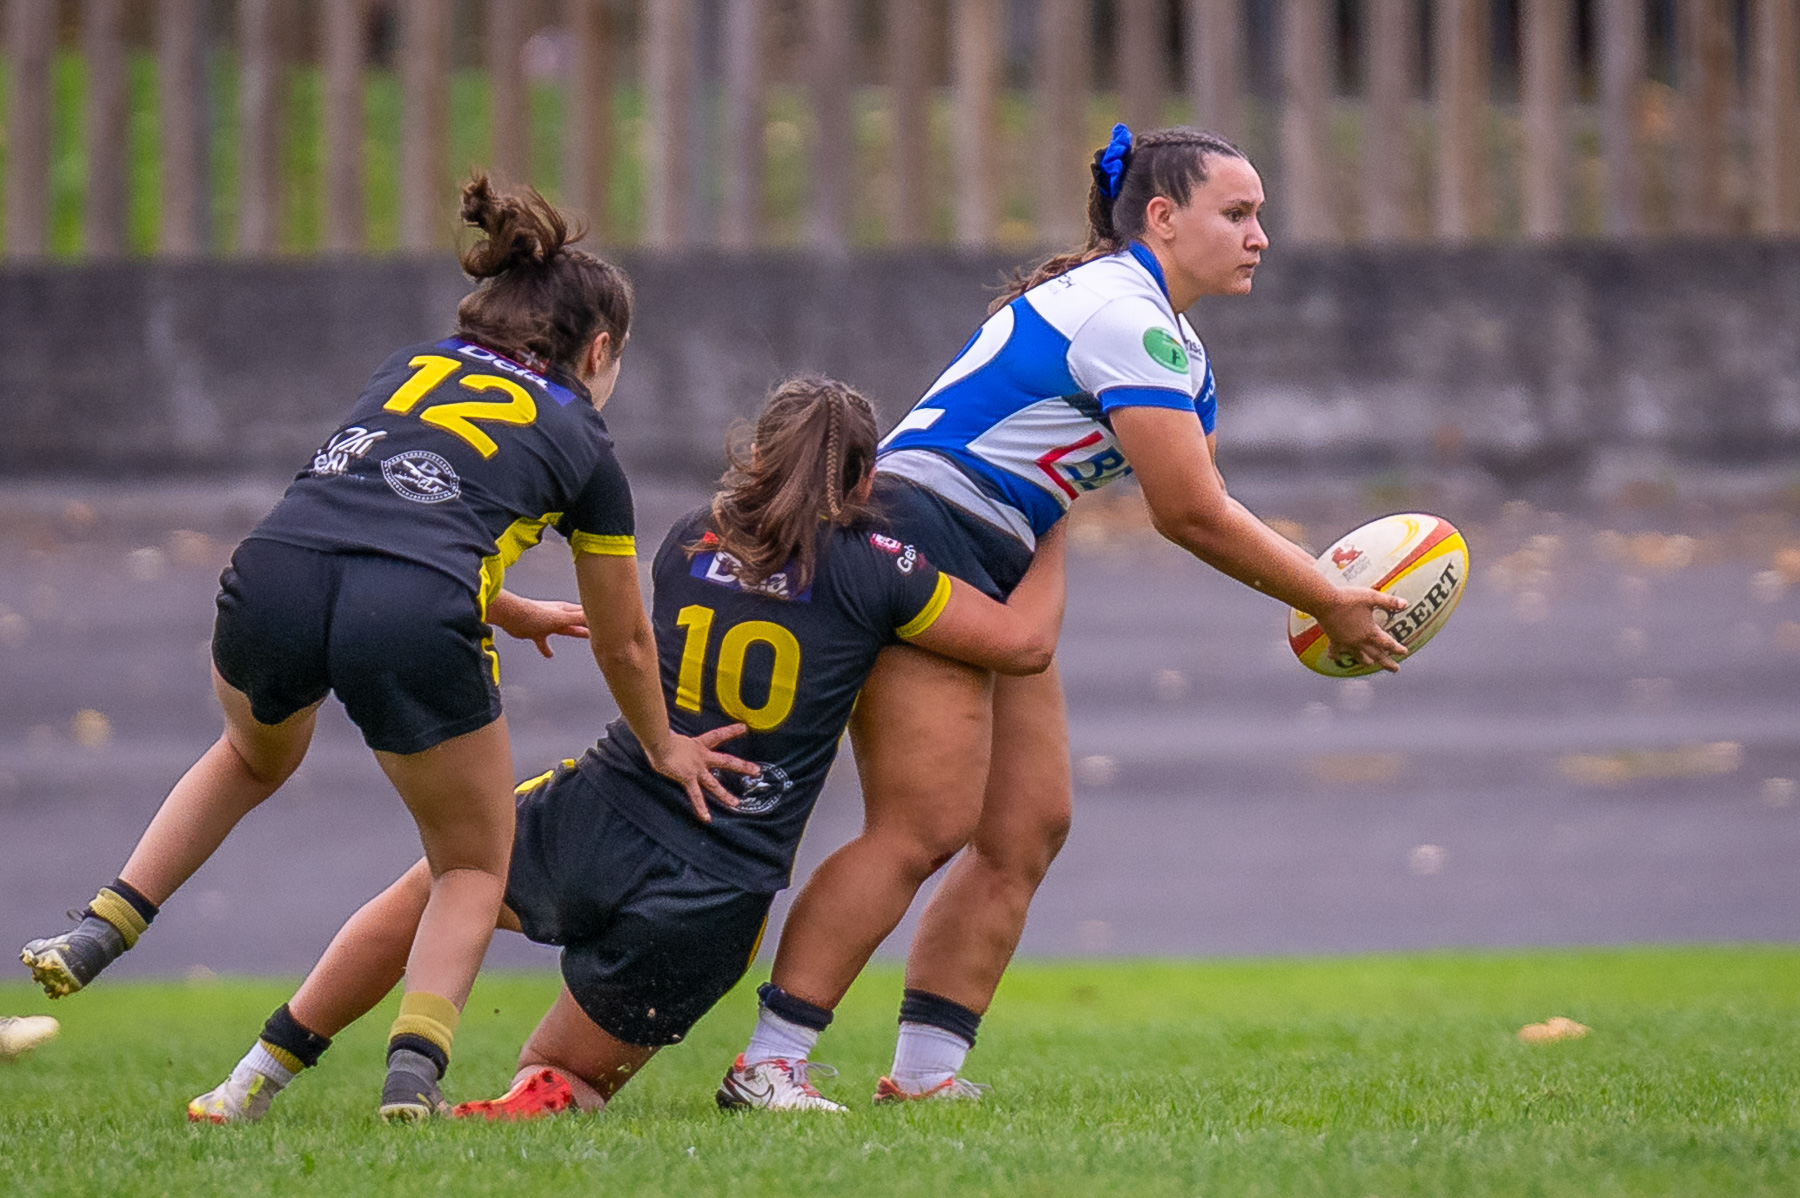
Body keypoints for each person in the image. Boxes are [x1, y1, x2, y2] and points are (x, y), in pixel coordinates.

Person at [20, 177, 748, 1120]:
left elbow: (375, 521)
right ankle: (412, 1077)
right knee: (473, 865)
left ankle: (103, 926)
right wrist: (663, 744)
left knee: (248, 755)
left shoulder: (410, 367)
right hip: (411, 611)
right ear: (599, 350)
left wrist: (505, 606)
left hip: (275, 572)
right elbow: (625, 641)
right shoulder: (584, 439)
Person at [722, 125, 1410, 1105]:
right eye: (1237, 213)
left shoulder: (1173, 344)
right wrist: (1326, 596)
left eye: (1259, 214)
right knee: (921, 826)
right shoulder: (1124, 316)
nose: (1260, 235)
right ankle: (768, 1062)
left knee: (1028, 824)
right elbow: (1189, 513)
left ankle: (925, 1076)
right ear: (1162, 218)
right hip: (923, 540)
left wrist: (1317, 589)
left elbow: (1197, 497)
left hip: (992, 555)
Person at [184, 376, 1068, 1124]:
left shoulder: (690, 536)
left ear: (755, 456)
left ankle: (253, 1078)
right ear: (868, 479)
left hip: (608, 804)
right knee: (562, 1080)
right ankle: (549, 1093)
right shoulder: (882, 567)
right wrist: (1047, 526)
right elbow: (1023, 646)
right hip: (716, 882)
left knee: (435, 891)